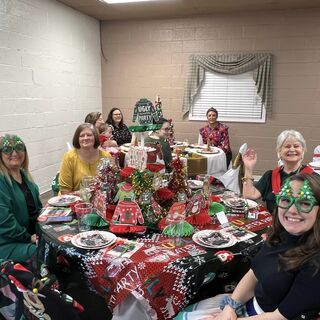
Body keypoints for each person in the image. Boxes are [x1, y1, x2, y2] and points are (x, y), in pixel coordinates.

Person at [175, 173, 320, 320]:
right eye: (285, 200)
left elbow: (281, 316)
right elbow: (254, 274)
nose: (292, 210)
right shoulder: (279, 235)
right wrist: (230, 307)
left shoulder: (316, 263)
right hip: (249, 305)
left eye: (305, 203)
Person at [242, 130, 314, 213]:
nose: (292, 149)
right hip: (273, 224)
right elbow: (249, 196)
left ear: (303, 150)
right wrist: (248, 168)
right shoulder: (270, 175)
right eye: (287, 146)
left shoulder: (312, 177)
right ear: (279, 151)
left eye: (296, 146)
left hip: (300, 223)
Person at [0, 134, 42, 262]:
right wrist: (29, 238)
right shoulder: (1, 181)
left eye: (19, 147)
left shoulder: (25, 176)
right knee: (45, 254)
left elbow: (38, 209)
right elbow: (5, 223)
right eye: (7, 149)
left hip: (30, 235)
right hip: (8, 242)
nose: (14, 152)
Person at [59, 123, 111, 194]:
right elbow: (65, 190)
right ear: (77, 139)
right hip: (73, 200)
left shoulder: (106, 156)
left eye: (89, 135)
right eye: (82, 136)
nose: (85, 138)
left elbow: (110, 183)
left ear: (95, 137)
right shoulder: (69, 157)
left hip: (99, 200)